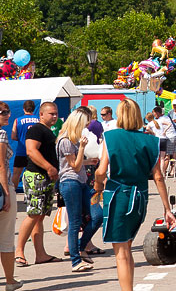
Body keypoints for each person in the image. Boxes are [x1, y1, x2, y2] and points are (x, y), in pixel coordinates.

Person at [94, 98, 176, 291]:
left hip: (118, 195)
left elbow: (100, 170)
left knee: (121, 253)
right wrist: (167, 208)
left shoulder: (111, 136)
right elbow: (158, 177)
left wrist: (97, 187)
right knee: (127, 248)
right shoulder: (150, 140)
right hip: (140, 196)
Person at [15, 101, 61, 267]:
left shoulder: (47, 130)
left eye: (56, 113)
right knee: (33, 214)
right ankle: (19, 251)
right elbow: (31, 151)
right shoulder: (36, 129)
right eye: (51, 114)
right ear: (41, 114)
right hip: (36, 176)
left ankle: (40, 254)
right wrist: (49, 167)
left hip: (46, 177)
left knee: (39, 217)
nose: (54, 116)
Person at [56, 110, 101, 272]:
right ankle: (75, 261)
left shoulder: (73, 139)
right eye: (86, 123)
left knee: (98, 215)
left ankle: (81, 248)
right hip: (70, 183)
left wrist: (89, 161)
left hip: (81, 183)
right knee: (75, 222)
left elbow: (77, 163)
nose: (88, 126)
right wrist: (82, 147)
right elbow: (73, 166)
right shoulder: (66, 140)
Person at [0, 102, 23, 290]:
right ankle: (9, 281)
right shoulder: (1, 134)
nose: (7, 115)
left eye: (7, 111)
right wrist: (7, 193)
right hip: (2, 188)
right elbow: (1, 166)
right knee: (6, 239)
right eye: (3, 112)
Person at [11, 100, 39, 188]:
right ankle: (34, 193)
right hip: (35, 152)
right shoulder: (38, 120)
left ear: (24, 109)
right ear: (34, 109)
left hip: (21, 151)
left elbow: (13, 136)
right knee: (35, 174)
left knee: (16, 174)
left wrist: (21, 138)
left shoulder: (17, 120)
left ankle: (12, 194)